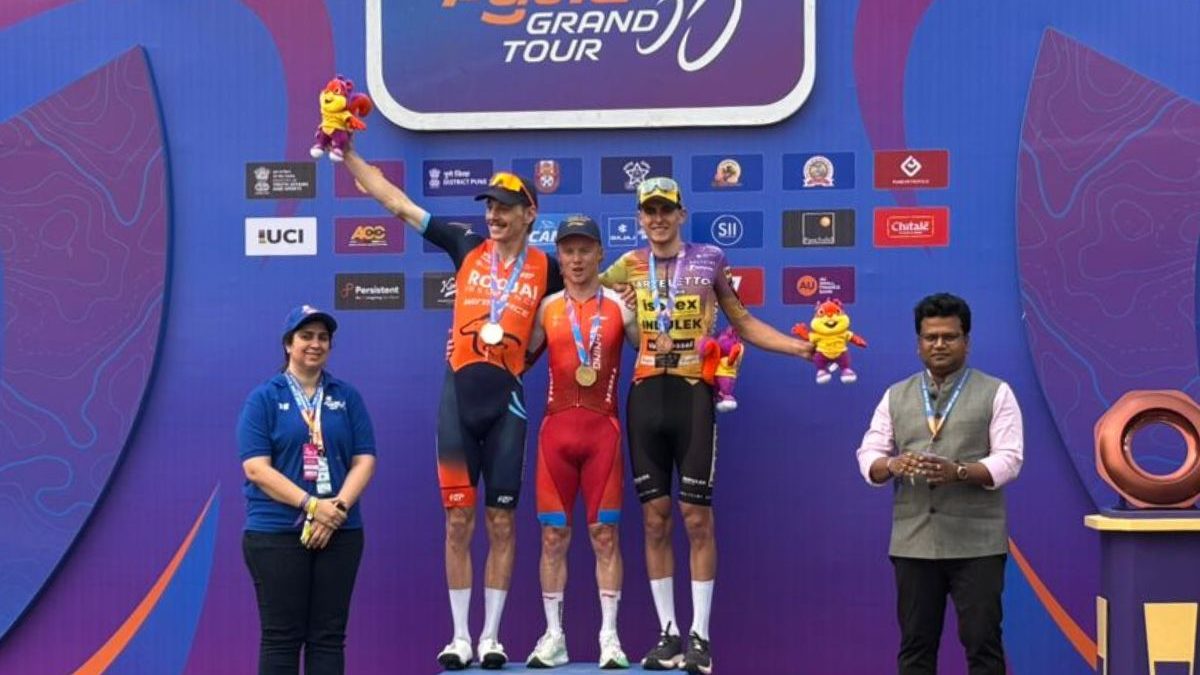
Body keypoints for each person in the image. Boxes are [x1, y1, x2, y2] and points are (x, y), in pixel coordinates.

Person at [343, 149, 562, 670]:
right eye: (490, 205)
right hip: (457, 400)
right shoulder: (465, 245)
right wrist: (347, 153)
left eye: (506, 206)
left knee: (502, 522)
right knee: (458, 520)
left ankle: (491, 637)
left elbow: (589, 298)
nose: (494, 214)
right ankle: (460, 637)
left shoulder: (549, 267)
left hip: (507, 402)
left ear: (529, 213)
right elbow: (396, 203)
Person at [599, 177, 814, 674]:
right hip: (645, 393)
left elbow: (742, 322)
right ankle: (668, 633)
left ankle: (701, 636)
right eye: (648, 211)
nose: (657, 219)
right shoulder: (626, 267)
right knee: (654, 518)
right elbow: (586, 311)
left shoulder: (710, 259)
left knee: (696, 517)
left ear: (680, 213)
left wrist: (801, 348)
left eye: (665, 210)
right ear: (638, 218)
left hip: (694, 393)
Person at [855, 293, 1024, 675]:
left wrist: (959, 472)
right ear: (918, 344)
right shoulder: (894, 395)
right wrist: (892, 464)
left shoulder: (996, 392)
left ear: (967, 341)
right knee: (916, 647)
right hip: (914, 542)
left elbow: (1010, 459)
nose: (940, 344)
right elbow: (868, 454)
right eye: (931, 337)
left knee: (983, 644)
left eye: (949, 336)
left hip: (977, 544)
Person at [523, 216, 639, 669]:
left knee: (604, 534)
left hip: (603, 434)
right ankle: (554, 636)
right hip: (555, 434)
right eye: (568, 250)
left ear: (599, 255)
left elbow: (651, 352)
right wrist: (463, 350)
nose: (575, 259)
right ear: (559, 256)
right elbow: (515, 358)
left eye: (584, 250)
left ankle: (609, 637)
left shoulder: (622, 305)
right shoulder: (547, 307)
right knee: (553, 536)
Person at [238, 305, 377, 674]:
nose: (315, 344)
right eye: (305, 336)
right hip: (277, 533)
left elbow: (365, 460)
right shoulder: (264, 398)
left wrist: (337, 510)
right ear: (288, 344)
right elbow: (255, 468)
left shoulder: (346, 397)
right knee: (282, 637)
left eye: (322, 337)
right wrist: (313, 505)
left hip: (341, 530)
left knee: (328, 637)